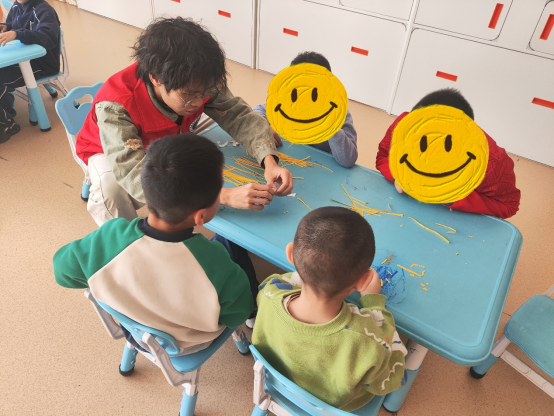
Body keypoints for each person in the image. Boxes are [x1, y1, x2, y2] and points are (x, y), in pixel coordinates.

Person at [76, 17, 292, 227]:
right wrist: (220, 196)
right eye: (189, 95)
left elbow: (237, 114)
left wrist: (268, 158)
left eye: (203, 93)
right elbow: (132, 172)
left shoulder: (198, 80)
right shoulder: (115, 106)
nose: (198, 102)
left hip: (168, 138)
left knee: (237, 132)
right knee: (111, 190)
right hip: (107, 150)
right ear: (155, 78)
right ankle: (129, 239)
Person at [53, 134, 254, 355]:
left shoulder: (111, 237)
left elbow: (61, 271)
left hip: (137, 333)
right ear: (200, 217)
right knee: (230, 243)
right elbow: (237, 314)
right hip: (191, 343)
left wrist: (113, 285)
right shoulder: (214, 262)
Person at [252, 207, 407, 411]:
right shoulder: (369, 341)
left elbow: (282, 280)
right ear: (364, 281)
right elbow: (394, 378)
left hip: (274, 387)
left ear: (290, 254)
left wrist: (308, 271)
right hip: (332, 409)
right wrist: (374, 303)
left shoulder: (268, 293)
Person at [376, 88, 521, 219]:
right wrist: (396, 176)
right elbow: (383, 156)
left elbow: (509, 206)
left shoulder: (492, 163)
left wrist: (454, 196)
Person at [253, 51, 358, 168]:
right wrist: (265, 129)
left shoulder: (338, 112)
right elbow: (257, 111)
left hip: (317, 166)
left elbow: (348, 160)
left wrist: (331, 125)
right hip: (287, 159)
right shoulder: (287, 103)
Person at [0, 0, 60, 143]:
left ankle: (6, 123)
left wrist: (17, 34)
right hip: (24, 58)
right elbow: (14, 24)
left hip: (42, 63)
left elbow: (48, 38)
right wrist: (7, 27)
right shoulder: (17, 5)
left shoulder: (44, 10)